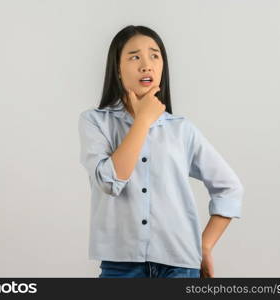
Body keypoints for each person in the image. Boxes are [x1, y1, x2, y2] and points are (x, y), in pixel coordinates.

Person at [78, 25, 244, 278]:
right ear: (117, 70)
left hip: (180, 263)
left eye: (155, 55)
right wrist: (143, 121)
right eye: (134, 57)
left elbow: (229, 187)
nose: (146, 65)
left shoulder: (182, 129)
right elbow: (111, 181)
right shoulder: (95, 122)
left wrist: (205, 246)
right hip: (121, 266)